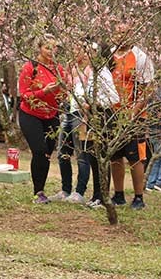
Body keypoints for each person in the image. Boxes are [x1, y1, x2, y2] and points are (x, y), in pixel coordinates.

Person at [109, 23, 154, 210]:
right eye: (117, 31)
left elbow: (146, 90)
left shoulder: (140, 57)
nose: (120, 35)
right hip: (111, 113)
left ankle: (138, 197)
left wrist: (133, 113)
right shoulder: (108, 55)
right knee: (115, 155)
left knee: (135, 156)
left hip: (133, 115)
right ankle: (118, 194)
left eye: (124, 32)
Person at [18, 34, 68, 205]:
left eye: (54, 48)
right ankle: (37, 191)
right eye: (47, 47)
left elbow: (64, 93)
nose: (51, 51)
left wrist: (61, 94)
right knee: (39, 150)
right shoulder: (30, 67)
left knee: (46, 154)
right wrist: (44, 92)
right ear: (39, 48)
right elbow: (24, 95)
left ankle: (41, 190)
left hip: (51, 115)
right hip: (30, 114)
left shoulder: (59, 69)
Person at [69, 42, 119, 207]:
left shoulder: (103, 72)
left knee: (101, 158)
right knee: (93, 156)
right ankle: (97, 194)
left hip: (102, 118)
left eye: (90, 52)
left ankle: (102, 196)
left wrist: (94, 104)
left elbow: (113, 97)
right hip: (91, 118)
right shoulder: (91, 73)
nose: (86, 55)